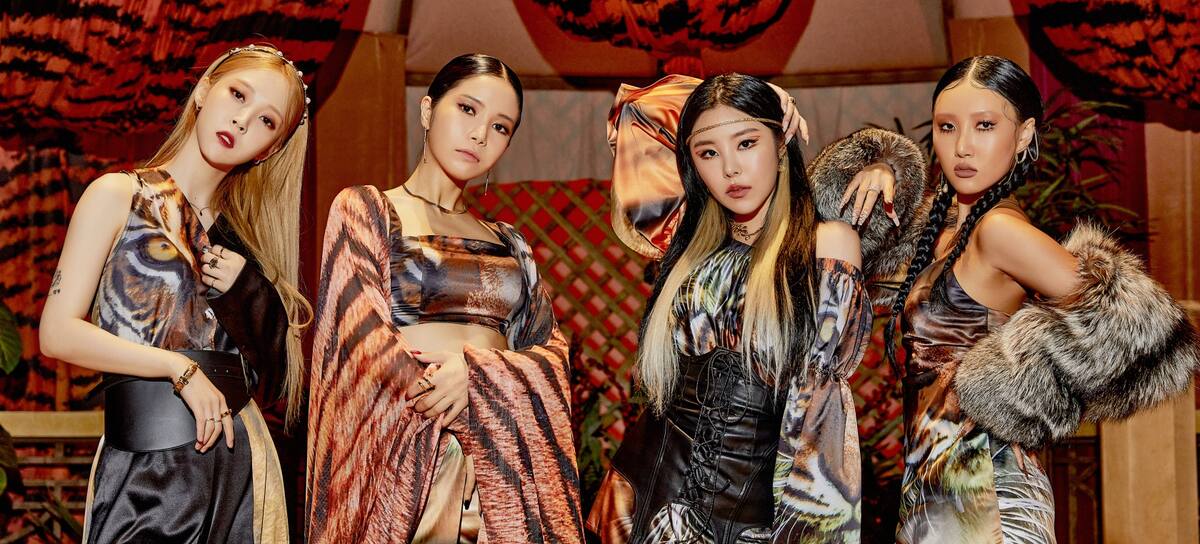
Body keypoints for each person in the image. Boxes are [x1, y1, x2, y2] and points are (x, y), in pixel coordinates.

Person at [587, 73, 929, 543]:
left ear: (781, 140)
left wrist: (765, 99)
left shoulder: (827, 243)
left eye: (747, 142)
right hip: (636, 499)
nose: (730, 168)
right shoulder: (693, 249)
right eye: (708, 153)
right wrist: (759, 94)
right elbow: (639, 110)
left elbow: (817, 412)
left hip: (746, 518)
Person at [887, 55, 1200, 543]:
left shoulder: (999, 231)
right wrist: (877, 166)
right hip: (935, 485)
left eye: (985, 125)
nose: (962, 146)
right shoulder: (944, 232)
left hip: (990, 492)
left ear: (1024, 135)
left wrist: (1024, 388)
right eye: (947, 127)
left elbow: (1146, 327)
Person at [38, 43, 311, 543]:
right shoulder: (119, 195)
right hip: (145, 472)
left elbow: (278, 386)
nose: (243, 120)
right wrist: (177, 368)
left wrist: (249, 292)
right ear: (204, 90)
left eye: (267, 120)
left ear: (270, 149)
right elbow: (57, 333)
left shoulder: (249, 246)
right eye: (238, 94)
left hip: (240, 475)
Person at [306, 53, 582, 543]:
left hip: (503, 477)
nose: (480, 135)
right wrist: (458, 408)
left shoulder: (510, 242)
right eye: (468, 109)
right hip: (413, 473)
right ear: (428, 109)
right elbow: (362, 344)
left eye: (500, 127)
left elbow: (553, 355)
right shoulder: (368, 211)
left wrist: (477, 379)